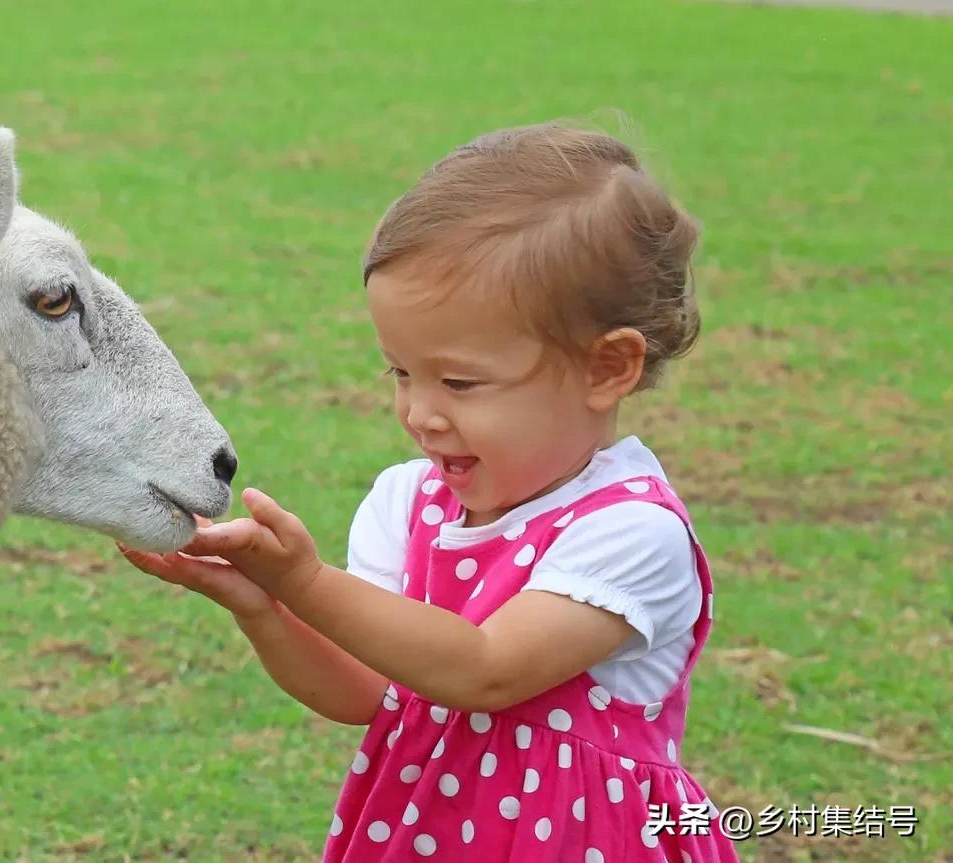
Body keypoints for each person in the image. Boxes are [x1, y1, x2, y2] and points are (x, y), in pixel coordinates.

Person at [119, 122, 740, 862]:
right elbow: (365, 694)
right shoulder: (405, 502)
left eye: (459, 382)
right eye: (400, 373)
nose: (419, 412)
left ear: (606, 369)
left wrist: (304, 580)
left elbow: (485, 669)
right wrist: (263, 604)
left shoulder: (631, 532)